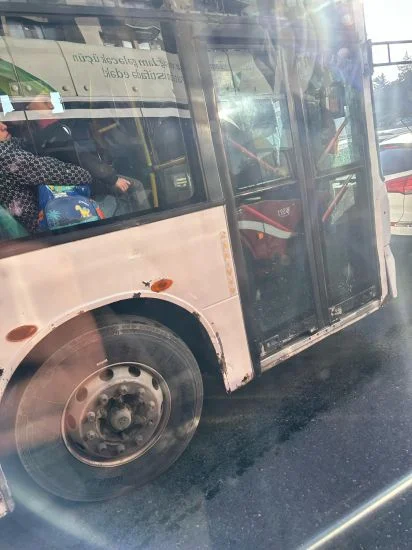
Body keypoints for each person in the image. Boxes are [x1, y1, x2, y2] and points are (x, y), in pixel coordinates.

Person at [26, 97, 132, 196]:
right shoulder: (51, 132)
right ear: (27, 106)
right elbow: (80, 156)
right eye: (45, 102)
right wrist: (112, 179)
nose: (52, 106)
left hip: (89, 177)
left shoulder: (57, 127)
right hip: (87, 183)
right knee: (135, 187)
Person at [0, 121, 93, 233]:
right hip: (45, 228)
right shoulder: (6, 157)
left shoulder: (11, 148)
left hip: (45, 220)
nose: (4, 126)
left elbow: (29, 144)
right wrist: (87, 173)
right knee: (114, 204)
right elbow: (74, 175)